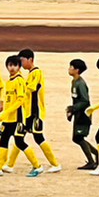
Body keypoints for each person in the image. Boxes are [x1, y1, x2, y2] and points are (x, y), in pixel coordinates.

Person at [0, 55, 33, 177]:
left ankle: (37, 166)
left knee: (20, 143)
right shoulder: (9, 81)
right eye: (10, 65)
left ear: (19, 67)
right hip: (8, 119)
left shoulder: (19, 81)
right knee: (3, 141)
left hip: (17, 119)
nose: (12, 68)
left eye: (15, 65)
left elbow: (20, 100)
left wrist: (5, 113)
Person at [18, 48, 61, 177]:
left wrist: (19, 85)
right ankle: (9, 164)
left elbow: (31, 88)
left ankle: (55, 164)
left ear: (30, 60)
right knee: (19, 137)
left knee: (38, 137)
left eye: (22, 61)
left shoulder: (37, 72)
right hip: (29, 112)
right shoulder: (30, 74)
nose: (21, 64)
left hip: (36, 112)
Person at [67, 59, 98, 170]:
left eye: (71, 67)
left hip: (83, 114)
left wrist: (73, 108)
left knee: (78, 137)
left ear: (77, 70)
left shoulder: (80, 84)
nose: (69, 68)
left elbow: (85, 101)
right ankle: (96, 155)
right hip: (78, 114)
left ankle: (92, 161)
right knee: (76, 138)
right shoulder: (74, 82)